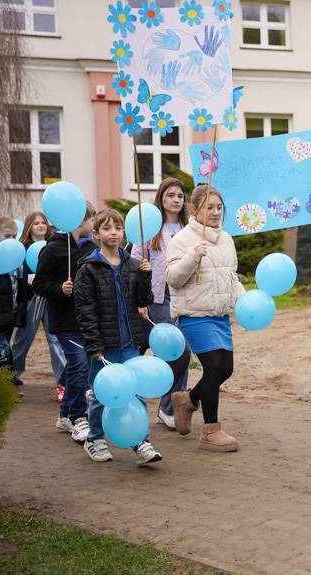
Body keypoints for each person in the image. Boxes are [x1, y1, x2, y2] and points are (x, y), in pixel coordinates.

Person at [74, 208, 161, 464]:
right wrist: (94, 345)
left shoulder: (133, 265)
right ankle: (95, 439)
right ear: (96, 233)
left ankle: (142, 442)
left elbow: (145, 300)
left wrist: (145, 275)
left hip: (130, 343)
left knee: (136, 393)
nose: (113, 233)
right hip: (104, 345)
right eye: (107, 228)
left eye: (118, 228)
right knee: (103, 394)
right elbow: (85, 312)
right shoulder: (88, 269)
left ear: (124, 232)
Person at [167, 184, 244, 452]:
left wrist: (243, 300)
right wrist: (192, 255)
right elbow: (173, 279)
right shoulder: (181, 240)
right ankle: (210, 431)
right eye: (209, 207)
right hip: (194, 314)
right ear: (194, 210)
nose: (215, 213)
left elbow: (230, 277)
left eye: (219, 208)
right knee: (213, 368)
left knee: (226, 369)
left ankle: (187, 400)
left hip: (219, 314)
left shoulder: (227, 239)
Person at [131, 177, 192, 431]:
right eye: (170, 195)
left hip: (184, 297)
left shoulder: (190, 228)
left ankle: (170, 407)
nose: (176, 200)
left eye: (179, 196)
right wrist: (139, 299)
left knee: (182, 352)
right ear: (161, 198)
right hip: (157, 297)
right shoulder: (150, 228)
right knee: (174, 350)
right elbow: (134, 262)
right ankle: (151, 405)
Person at [33, 202, 96, 441]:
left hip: (86, 319)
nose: (93, 224)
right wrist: (60, 288)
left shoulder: (90, 247)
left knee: (78, 367)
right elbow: (39, 283)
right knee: (78, 364)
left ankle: (64, 414)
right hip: (63, 320)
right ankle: (79, 417)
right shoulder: (53, 250)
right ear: (79, 221)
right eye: (92, 220)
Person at [11, 211, 67, 395]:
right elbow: (17, 277)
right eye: (36, 223)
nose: (41, 225)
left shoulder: (53, 246)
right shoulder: (22, 248)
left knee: (55, 341)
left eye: (43, 222)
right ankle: (13, 376)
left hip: (50, 299)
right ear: (29, 227)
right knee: (22, 340)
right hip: (31, 299)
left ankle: (63, 383)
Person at [0, 218, 28, 380]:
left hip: (10, 311)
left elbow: (20, 285)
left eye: (14, 236)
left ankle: (5, 381)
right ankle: (3, 381)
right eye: (7, 236)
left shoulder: (16, 257)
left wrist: (20, 308)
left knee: (4, 346)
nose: (11, 241)